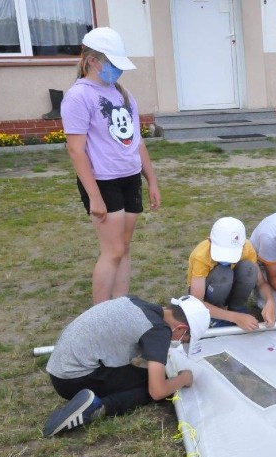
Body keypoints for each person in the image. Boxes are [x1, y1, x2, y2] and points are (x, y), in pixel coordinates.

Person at [61, 27, 159, 305]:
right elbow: (76, 150)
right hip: (103, 182)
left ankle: (120, 308)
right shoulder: (79, 97)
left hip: (130, 178)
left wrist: (151, 180)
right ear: (92, 61)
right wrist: (94, 196)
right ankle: (100, 315)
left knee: (124, 248)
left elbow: (137, 142)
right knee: (112, 250)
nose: (117, 71)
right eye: (112, 64)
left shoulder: (122, 93)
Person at [43, 295, 210, 437]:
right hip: (73, 380)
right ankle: (99, 408)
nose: (179, 342)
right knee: (156, 386)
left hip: (59, 370)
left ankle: (91, 400)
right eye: (184, 339)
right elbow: (157, 391)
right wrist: (183, 378)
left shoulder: (136, 302)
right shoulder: (159, 331)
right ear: (181, 328)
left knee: (144, 376)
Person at [187, 217, 276, 330]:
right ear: (209, 241)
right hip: (207, 295)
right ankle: (214, 317)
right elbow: (197, 301)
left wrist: (270, 301)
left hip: (228, 285)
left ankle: (237, 307)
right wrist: (235, 318)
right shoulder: (201, 256)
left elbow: (261, 283)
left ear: (243, 245)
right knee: (223, 274)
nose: (227, 260)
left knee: (249, 269)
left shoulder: (247, 249)